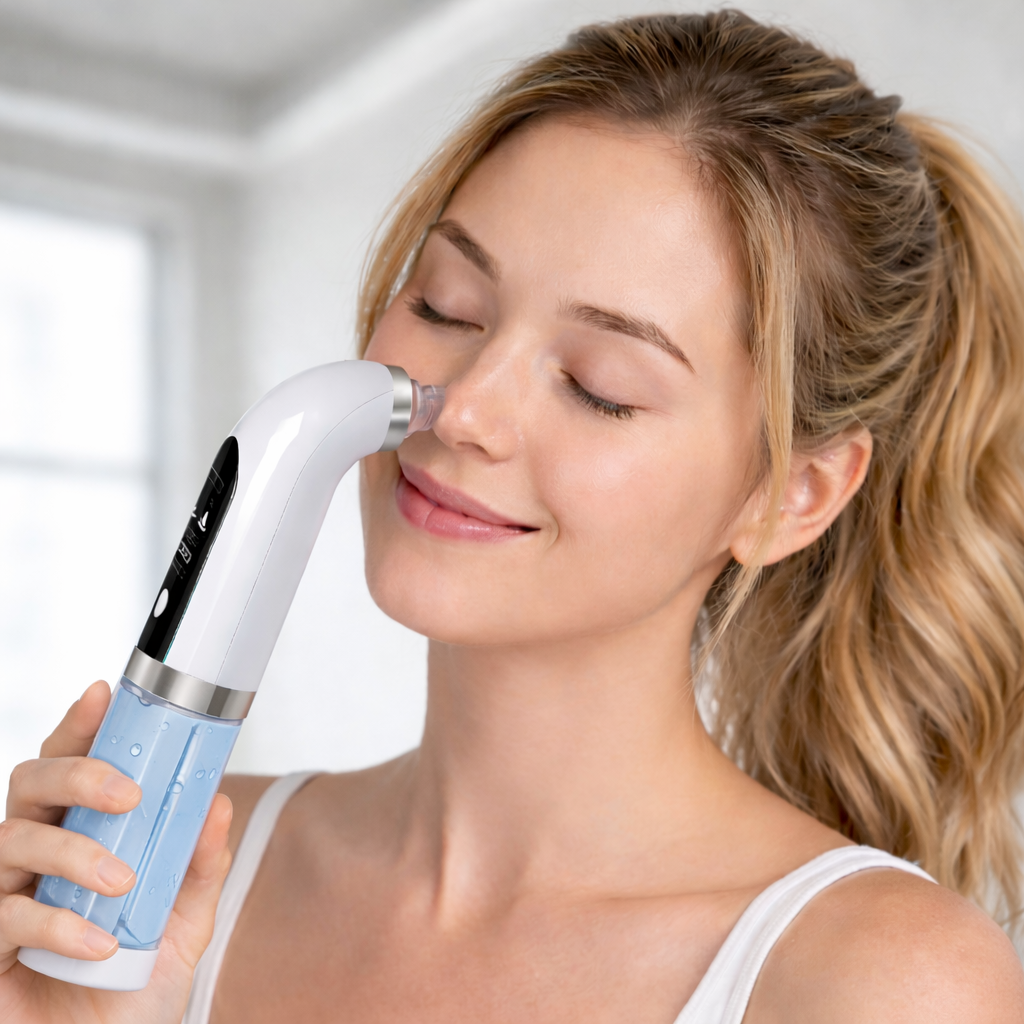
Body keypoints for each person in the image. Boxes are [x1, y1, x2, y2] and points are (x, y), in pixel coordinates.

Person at [3, 10, 1024, 1022]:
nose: (465, 411)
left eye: (599, 385)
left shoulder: (883, 983)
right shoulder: (168, 884)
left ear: (789, 496)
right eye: (445, 305)